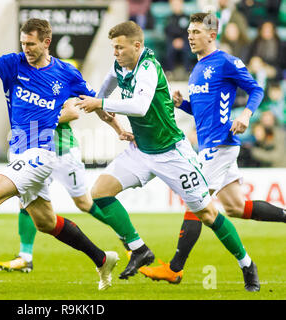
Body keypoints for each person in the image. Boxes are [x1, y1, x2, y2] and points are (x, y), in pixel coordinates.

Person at [0, 18, 119, 291]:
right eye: (23, 43)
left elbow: (95, 103)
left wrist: (119, 128)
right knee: (46, 223)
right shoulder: (13, 63)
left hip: (41, 153)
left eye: (31, 44)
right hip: (18, 154)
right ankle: (102, 258)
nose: (26, 48)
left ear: (46, 42)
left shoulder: (66, 73)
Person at [75, 20, 260, 291]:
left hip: (171, 153)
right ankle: (139, 250)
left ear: (137, 46)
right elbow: (101, 94)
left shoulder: (149, 67)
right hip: (141, 150)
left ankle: (247, 264)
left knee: (208, 214)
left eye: (120, 48)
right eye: (113, 47)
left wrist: (100, 103)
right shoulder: (119, 66)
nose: (115, 53)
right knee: (100, 192)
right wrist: (110, 119)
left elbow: (138, 106)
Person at [138, 13, 285, 286]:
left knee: (195, 201)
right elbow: (203, 112)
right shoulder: (197, 68)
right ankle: (250, 265)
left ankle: (175, 268)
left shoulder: (226, 62)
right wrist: (183, 104)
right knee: (236, 207)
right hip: (212, 144)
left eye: (196, 32)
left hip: (219, 145)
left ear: (211, 35)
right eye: (189, 32)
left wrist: (246, 115)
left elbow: (255, 90)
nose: (190, 36)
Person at [0, 98, 139, 272]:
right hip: (38, 154)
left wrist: (37, 118)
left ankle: (125, 236)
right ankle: (25, 257)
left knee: (84, 203)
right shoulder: (29, 84)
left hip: (65, 154)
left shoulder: (58, 79)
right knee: (26, 201)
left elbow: (72, 112)